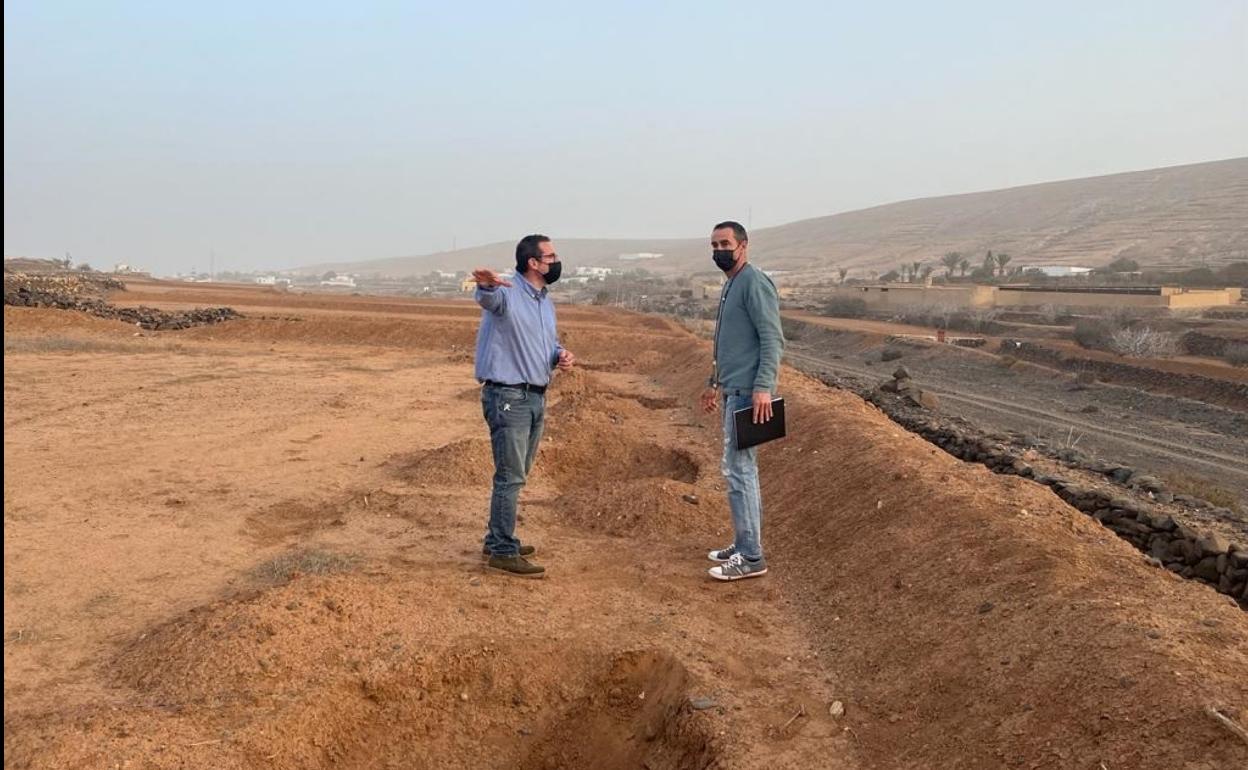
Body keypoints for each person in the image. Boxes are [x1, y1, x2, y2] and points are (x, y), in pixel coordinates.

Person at [472, 234, 575, 578]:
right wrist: (486, 285)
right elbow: (489, 298)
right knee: (510, 476)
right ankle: (502, 550)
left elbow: (544, 342)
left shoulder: (545, 301)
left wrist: (559, 355)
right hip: (508, 398)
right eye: (551, 256)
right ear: (533, 262)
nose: (556, 261)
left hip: (535, 395)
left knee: (517, 473)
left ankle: (496, 538)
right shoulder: (507, 291)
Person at [699, 221, 784, 581]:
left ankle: (751, 556)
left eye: (725, 243)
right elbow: (730, 343)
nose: (719, 250)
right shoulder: (732, 283)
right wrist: (713, 382)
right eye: (715, 244)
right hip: (733, 391)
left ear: (743, 246)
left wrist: (763, 386)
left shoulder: (754, 282)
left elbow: (772, 339)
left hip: (750, 395)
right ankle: (744, 542)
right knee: (741, 471)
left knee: (739, 472)